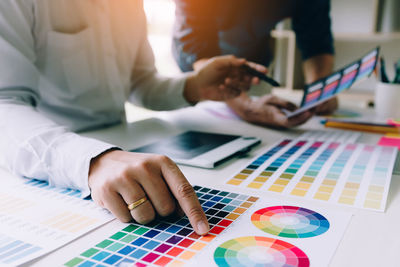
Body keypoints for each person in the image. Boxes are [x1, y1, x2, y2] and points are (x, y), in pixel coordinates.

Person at [0, 0, 267, 235]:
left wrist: (195, 86)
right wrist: (93, 160)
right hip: (41, 174)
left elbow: (140, 82)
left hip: (123, 155)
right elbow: (5, 104)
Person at [172, 0, 338, 128]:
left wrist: (320, 87)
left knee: (263, 128)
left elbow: (316, 40)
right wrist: (245, 106)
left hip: (255, 66)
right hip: (200, 68)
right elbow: (197, 47)